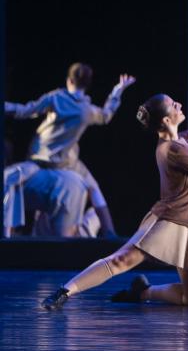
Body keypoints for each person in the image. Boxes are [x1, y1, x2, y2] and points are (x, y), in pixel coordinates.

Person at [40, 94, 188, 310]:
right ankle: (65, 291)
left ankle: (142, 292)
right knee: (122, 259)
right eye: (172, 105)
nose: (178, 104)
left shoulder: (185, 140)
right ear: (166, 120)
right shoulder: (171, 150)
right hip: (171, 219)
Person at [4, 63, 135, 237]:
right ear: (87, 84)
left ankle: (9, 234)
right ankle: (109, 232)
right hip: (66, 161)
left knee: (16, 184)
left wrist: (6, 107)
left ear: (69, 80)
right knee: (94, 188)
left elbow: (26, 111)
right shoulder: (87, 110)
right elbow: (106, 115)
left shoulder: (56, 98)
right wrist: (117, 91)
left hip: (42, 159)